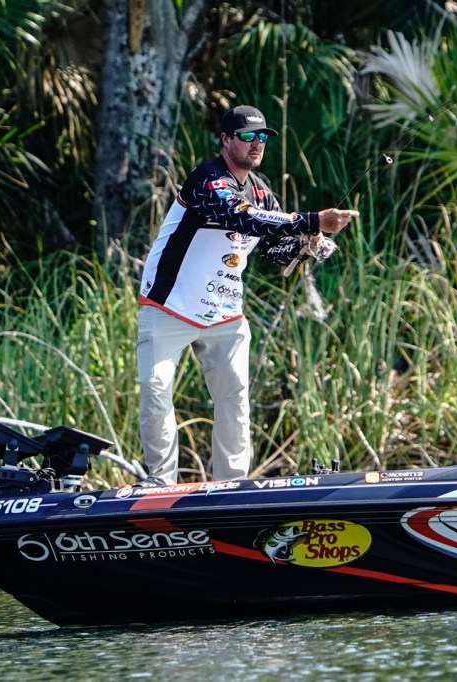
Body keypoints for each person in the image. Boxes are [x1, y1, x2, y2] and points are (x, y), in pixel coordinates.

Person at [137, 104, 359, 486]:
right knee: (155, 389)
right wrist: (311, 220)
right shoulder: (207, 179)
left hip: (224, 315)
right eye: (248, 136)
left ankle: (231, 487)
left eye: (263, 137)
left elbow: (273, 250)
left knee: (235, 399)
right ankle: (160, 483)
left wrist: (305, 245)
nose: (257, 144)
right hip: (169, 306)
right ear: (226, 140)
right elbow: (240, 216)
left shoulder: (261, 192)